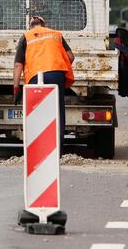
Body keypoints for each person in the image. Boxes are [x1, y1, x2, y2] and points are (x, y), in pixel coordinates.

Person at [12, 15, 75, 152]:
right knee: (58, 111)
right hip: (56, 74)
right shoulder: (55, 35)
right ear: (44, 25)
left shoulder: (26, 36)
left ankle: (38, 148)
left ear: (30, 26)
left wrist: (16, 89)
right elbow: (71, 56)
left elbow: (18, 65)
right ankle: (58, 150)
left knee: (36, 112)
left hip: (36, 76)